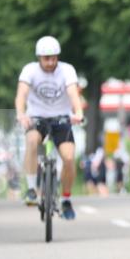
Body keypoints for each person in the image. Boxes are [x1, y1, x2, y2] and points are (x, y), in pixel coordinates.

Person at [15, 35, 84, 219]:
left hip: (61, 117)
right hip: (37, 117)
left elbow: (73, 92)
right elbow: (21, 95)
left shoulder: (67, 70)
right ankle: (31, 189)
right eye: (47, 58)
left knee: (68, 158)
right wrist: (21, 114)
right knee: (31, 141)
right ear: (39, 58)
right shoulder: (29, 71)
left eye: (54, 58)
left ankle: (66, 199)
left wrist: (78, 112)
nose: (51, 62)